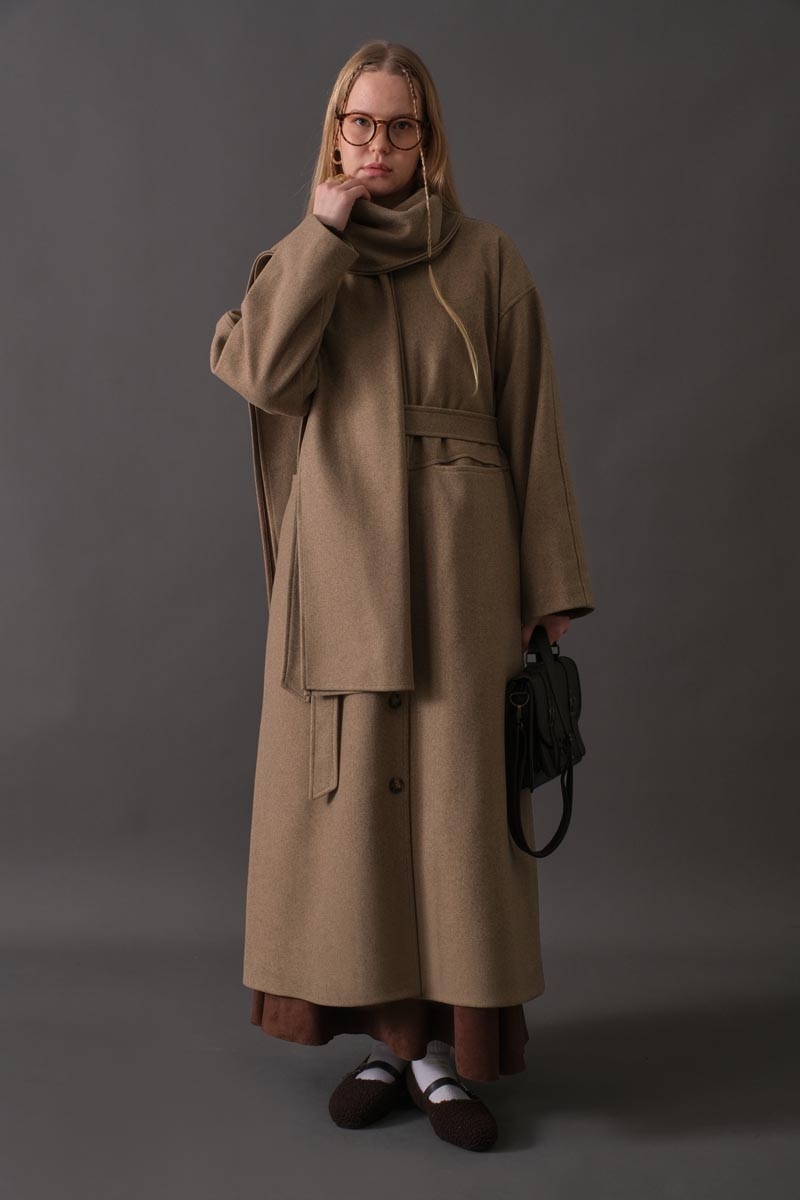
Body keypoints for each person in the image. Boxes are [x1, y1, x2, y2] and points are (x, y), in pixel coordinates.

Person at [209, 40, 595, 1153]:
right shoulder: (299, 260)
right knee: (356, 829)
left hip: (462, 577)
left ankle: (440, 1058)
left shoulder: (487, 259)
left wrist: (547, 586)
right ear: (335, 133)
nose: (377, 145)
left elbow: (533, 424)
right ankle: (389, 1046)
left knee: (454, 815)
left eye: (399, 126)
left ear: (429, 140)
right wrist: (321, 236)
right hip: (341, 573)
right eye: (359, 124)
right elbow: (262, 376)